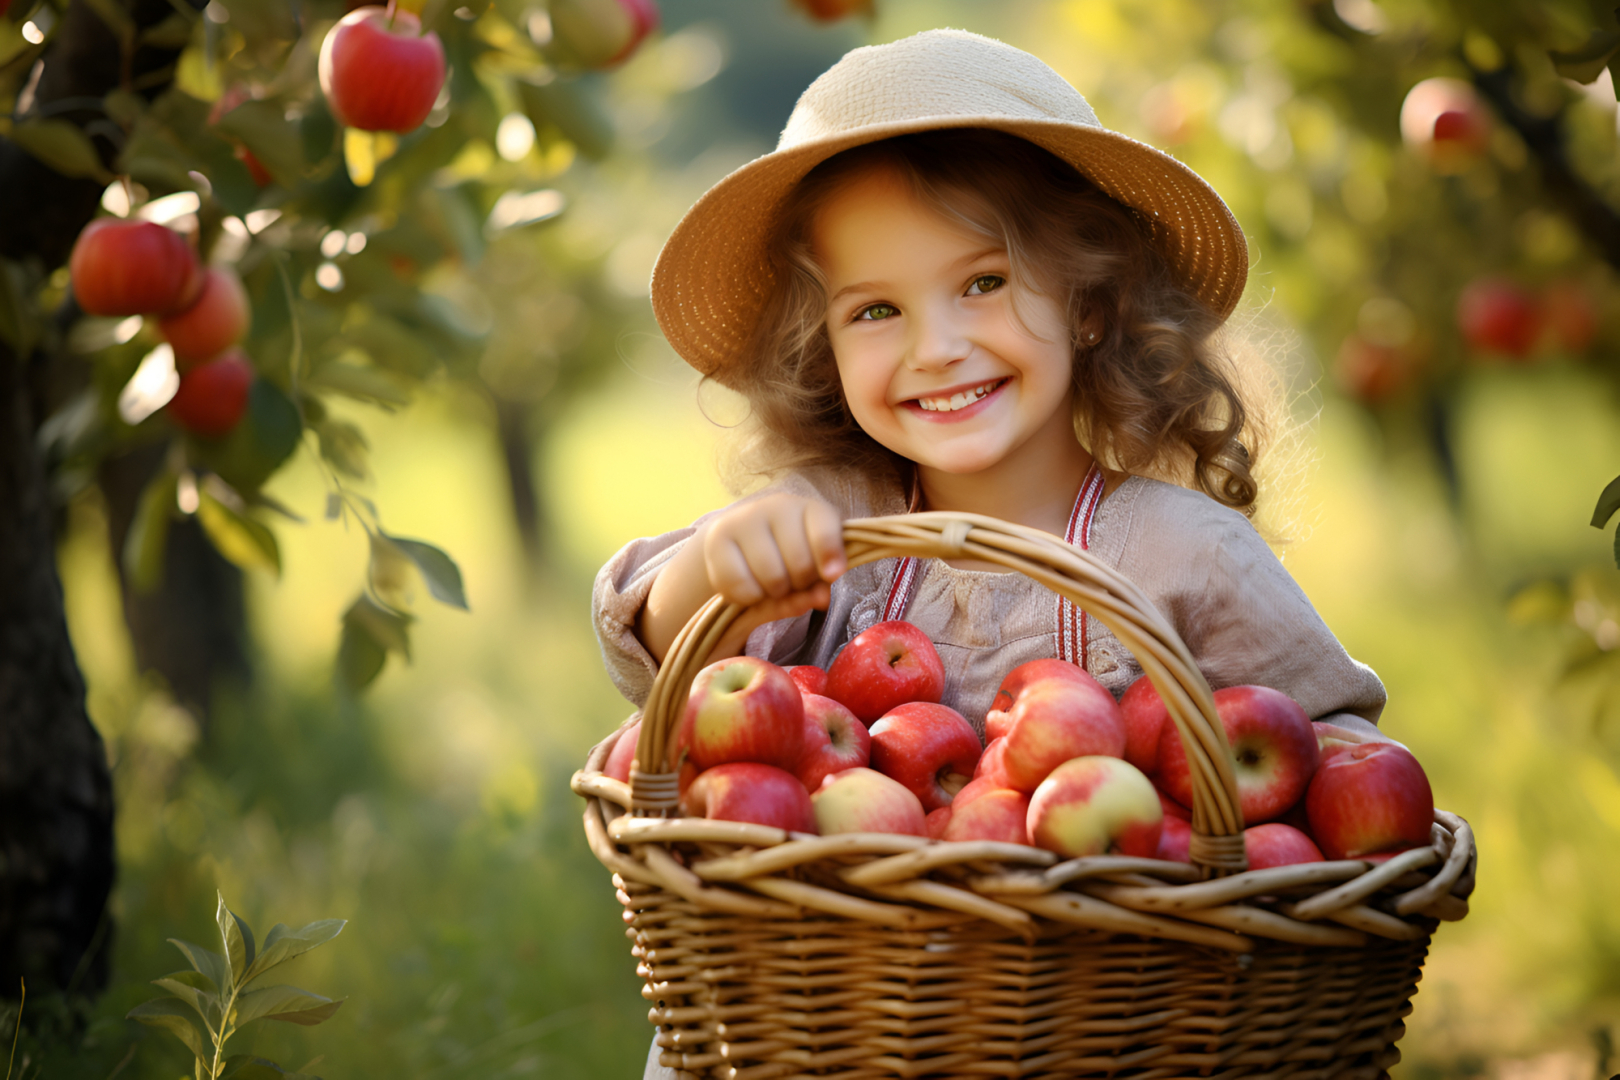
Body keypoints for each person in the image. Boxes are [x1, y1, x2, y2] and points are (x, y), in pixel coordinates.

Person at [597, 28, 1391, 1079]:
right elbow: (658, 653)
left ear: (1091, 303)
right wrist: (724, 568)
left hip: (1108, 1027)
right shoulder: (831, 527)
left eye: (982, 283)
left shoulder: (1183, 554)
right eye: (875, 310)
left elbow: (1337, 778)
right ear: (824, 352)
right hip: (828, 1026)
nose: (934, 345)